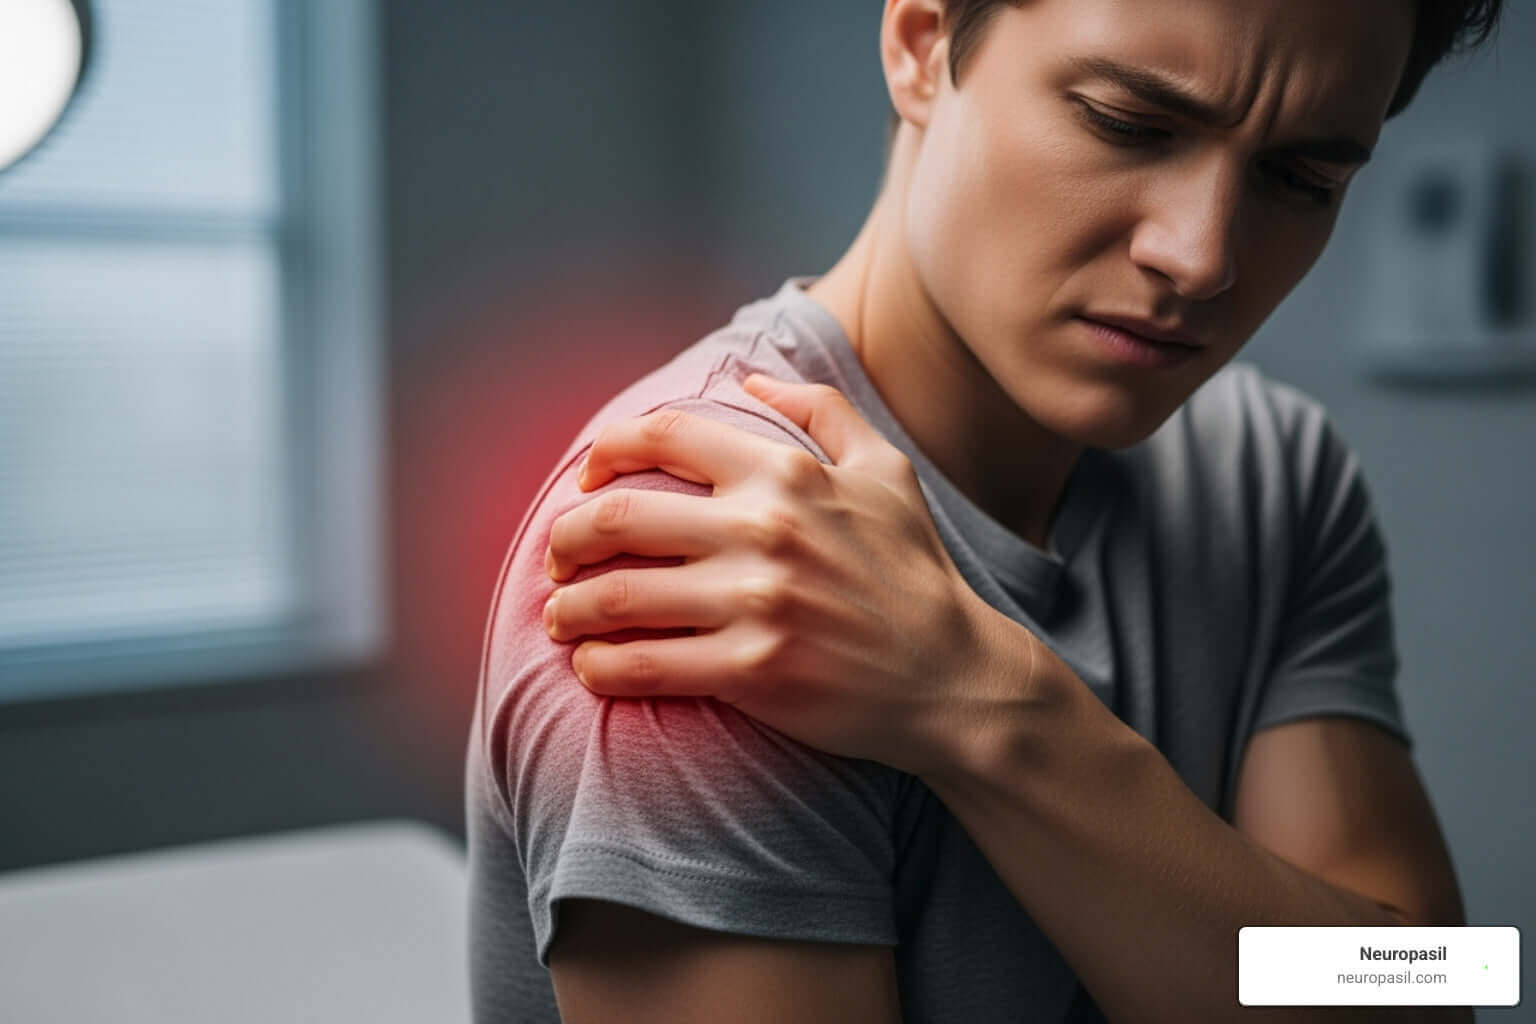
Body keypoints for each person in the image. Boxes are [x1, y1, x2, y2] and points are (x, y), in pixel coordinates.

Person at [466, 0, 1503, 1020]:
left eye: (1301, 179)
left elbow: (1424, 984)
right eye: (1128, 124)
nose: (1201, 256)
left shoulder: (1266, 471)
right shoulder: (703, 554)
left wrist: (987, 705)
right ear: (921, 41)